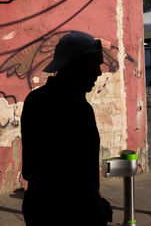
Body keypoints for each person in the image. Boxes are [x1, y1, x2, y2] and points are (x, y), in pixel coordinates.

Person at [21, 31, 113, 226]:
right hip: (70, 213)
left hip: (38, 207)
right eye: (94, 64)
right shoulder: (78, 110)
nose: (98, 72)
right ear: (76, 65)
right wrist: (92, 206)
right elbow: (77, 176)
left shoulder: (35, 100)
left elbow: (31, 168)